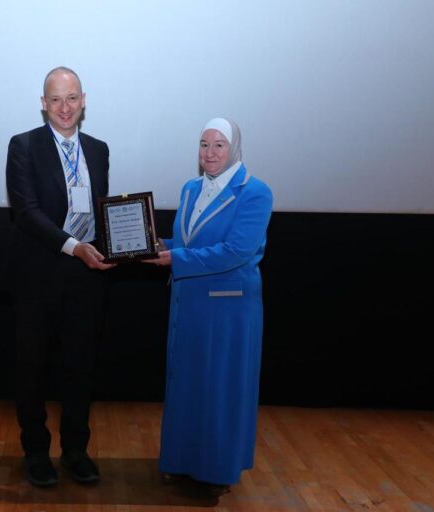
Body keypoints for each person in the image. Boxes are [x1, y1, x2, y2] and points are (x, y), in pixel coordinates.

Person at [145, 117, 272, 495]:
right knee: (186, 384)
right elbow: (188, 241)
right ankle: (182, 462)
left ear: (234, 148)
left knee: (220, 388)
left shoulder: (255, 192)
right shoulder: (191, 189)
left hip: (228, 310)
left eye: (219, 145)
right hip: (189, 304)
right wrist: (158, 245)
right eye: (204, 145)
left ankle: (216, 473)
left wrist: (175, 259)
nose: (210, 153)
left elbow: (237, 251)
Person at [5, 66, 114, 487]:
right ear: (43, 103)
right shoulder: (24, 146)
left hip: (87, 280)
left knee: (80, 369)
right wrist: (74, 247)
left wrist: (125, 243)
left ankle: (75, 451)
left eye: (71, 98)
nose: (64, 107)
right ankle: (36, 452)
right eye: (55, 99)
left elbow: (102, 210)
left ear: (83, 100)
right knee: (31, 370)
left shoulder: (99, 149)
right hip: (38, 280)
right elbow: (26, 212)